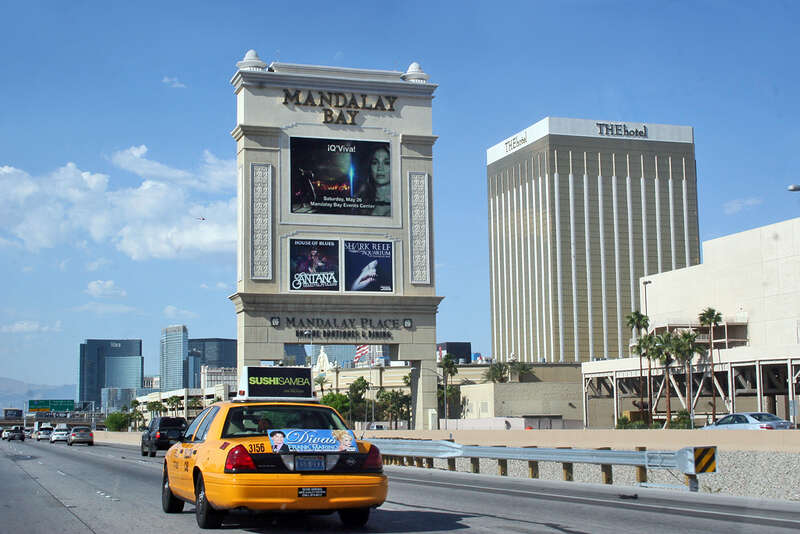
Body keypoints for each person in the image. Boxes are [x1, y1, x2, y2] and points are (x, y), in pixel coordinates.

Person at [356, 146, 391, 216]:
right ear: (370, 166)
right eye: (375, 163)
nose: (380, 168)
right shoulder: (358, 201)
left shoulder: (402, 201)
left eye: (387, 163)